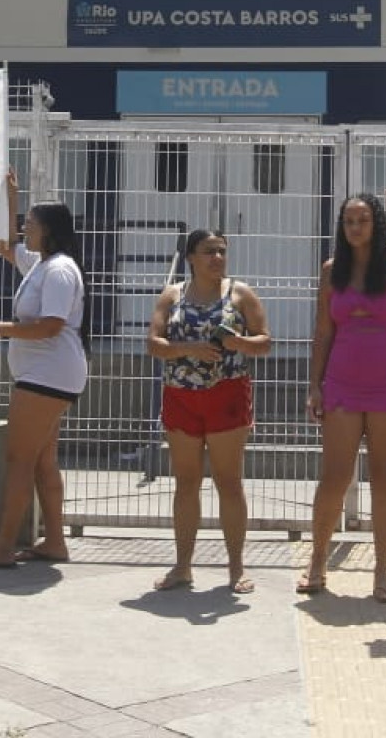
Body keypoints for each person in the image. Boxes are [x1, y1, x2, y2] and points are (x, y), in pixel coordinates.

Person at [300, 188, 386, 602]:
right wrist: (315, 384)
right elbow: (323, 331)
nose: (355, 227)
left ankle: (382, 573)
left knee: (385, 479)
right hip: (343, 382)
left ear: (375, 224)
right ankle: (318, 561)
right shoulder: (332, 270)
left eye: (363, 220)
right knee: (334, 477)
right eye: (349, 221)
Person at [0, 167, 88, 569]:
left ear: (48, 230)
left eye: (30, 223)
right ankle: (54, 541)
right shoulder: (40, 264)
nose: (24, 227)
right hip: (44, 375)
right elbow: (5, 244)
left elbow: (51, 325)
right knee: (41, 460)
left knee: (19, 459)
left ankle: (2, 545)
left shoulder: (59, 270)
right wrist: (10, 197)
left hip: (47, 376)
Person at [146, 228, 272, 593]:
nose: (217, 258)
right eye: (208, 251)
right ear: (190, 257)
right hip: (181, 395)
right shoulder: (172, 295)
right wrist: (191, 348)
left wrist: (239, 343)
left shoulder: (240, 294)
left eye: (221, 251)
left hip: (227, 393)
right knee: (186, 483)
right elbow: (154, 343)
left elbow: (265, 341)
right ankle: (182, 566)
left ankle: (236, 568)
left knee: (228, 482)